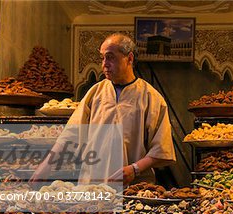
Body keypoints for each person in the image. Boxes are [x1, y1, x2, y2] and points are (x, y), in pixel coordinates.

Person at [30, 33, 176, 186]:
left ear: (130, 58)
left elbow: (162, 149)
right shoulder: (95, 92)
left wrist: (135, 169)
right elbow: (70, 135)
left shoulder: (150, 97)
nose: (104, 64)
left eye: (110, 57)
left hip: (133, 189)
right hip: (92, 185)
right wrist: (45, 167)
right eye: (102, 58)